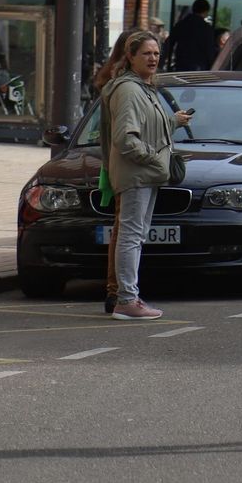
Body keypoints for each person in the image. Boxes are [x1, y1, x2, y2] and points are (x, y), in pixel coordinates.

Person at [100, 30, 191, 319]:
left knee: (135, 236)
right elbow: (125, 138)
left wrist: (171, 122)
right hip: (137, 173)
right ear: (130, 56)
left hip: (147, 173)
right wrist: (151, 159)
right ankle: (127, 299)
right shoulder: (128, 89)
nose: (153, 58)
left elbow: (148, 125)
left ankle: (129, 297)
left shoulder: (143, 87)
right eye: (146, 54)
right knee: (130, 235)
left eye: (156, 53)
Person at [93, 28, 144, 315]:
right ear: (130, 53)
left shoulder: (112, 79)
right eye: (145, 51)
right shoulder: (124, 84)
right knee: (124, 229)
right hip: (122, 160)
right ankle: (117, 292)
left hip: (111, 159)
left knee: (121, 227)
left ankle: (116, 291)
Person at [163, 0, 217, 72]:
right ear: (206, 11)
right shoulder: (206, 28)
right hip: (200, 67)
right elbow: (209, 49)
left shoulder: (182, 24)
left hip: (181, 64)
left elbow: (169, 43)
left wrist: (162, 60)